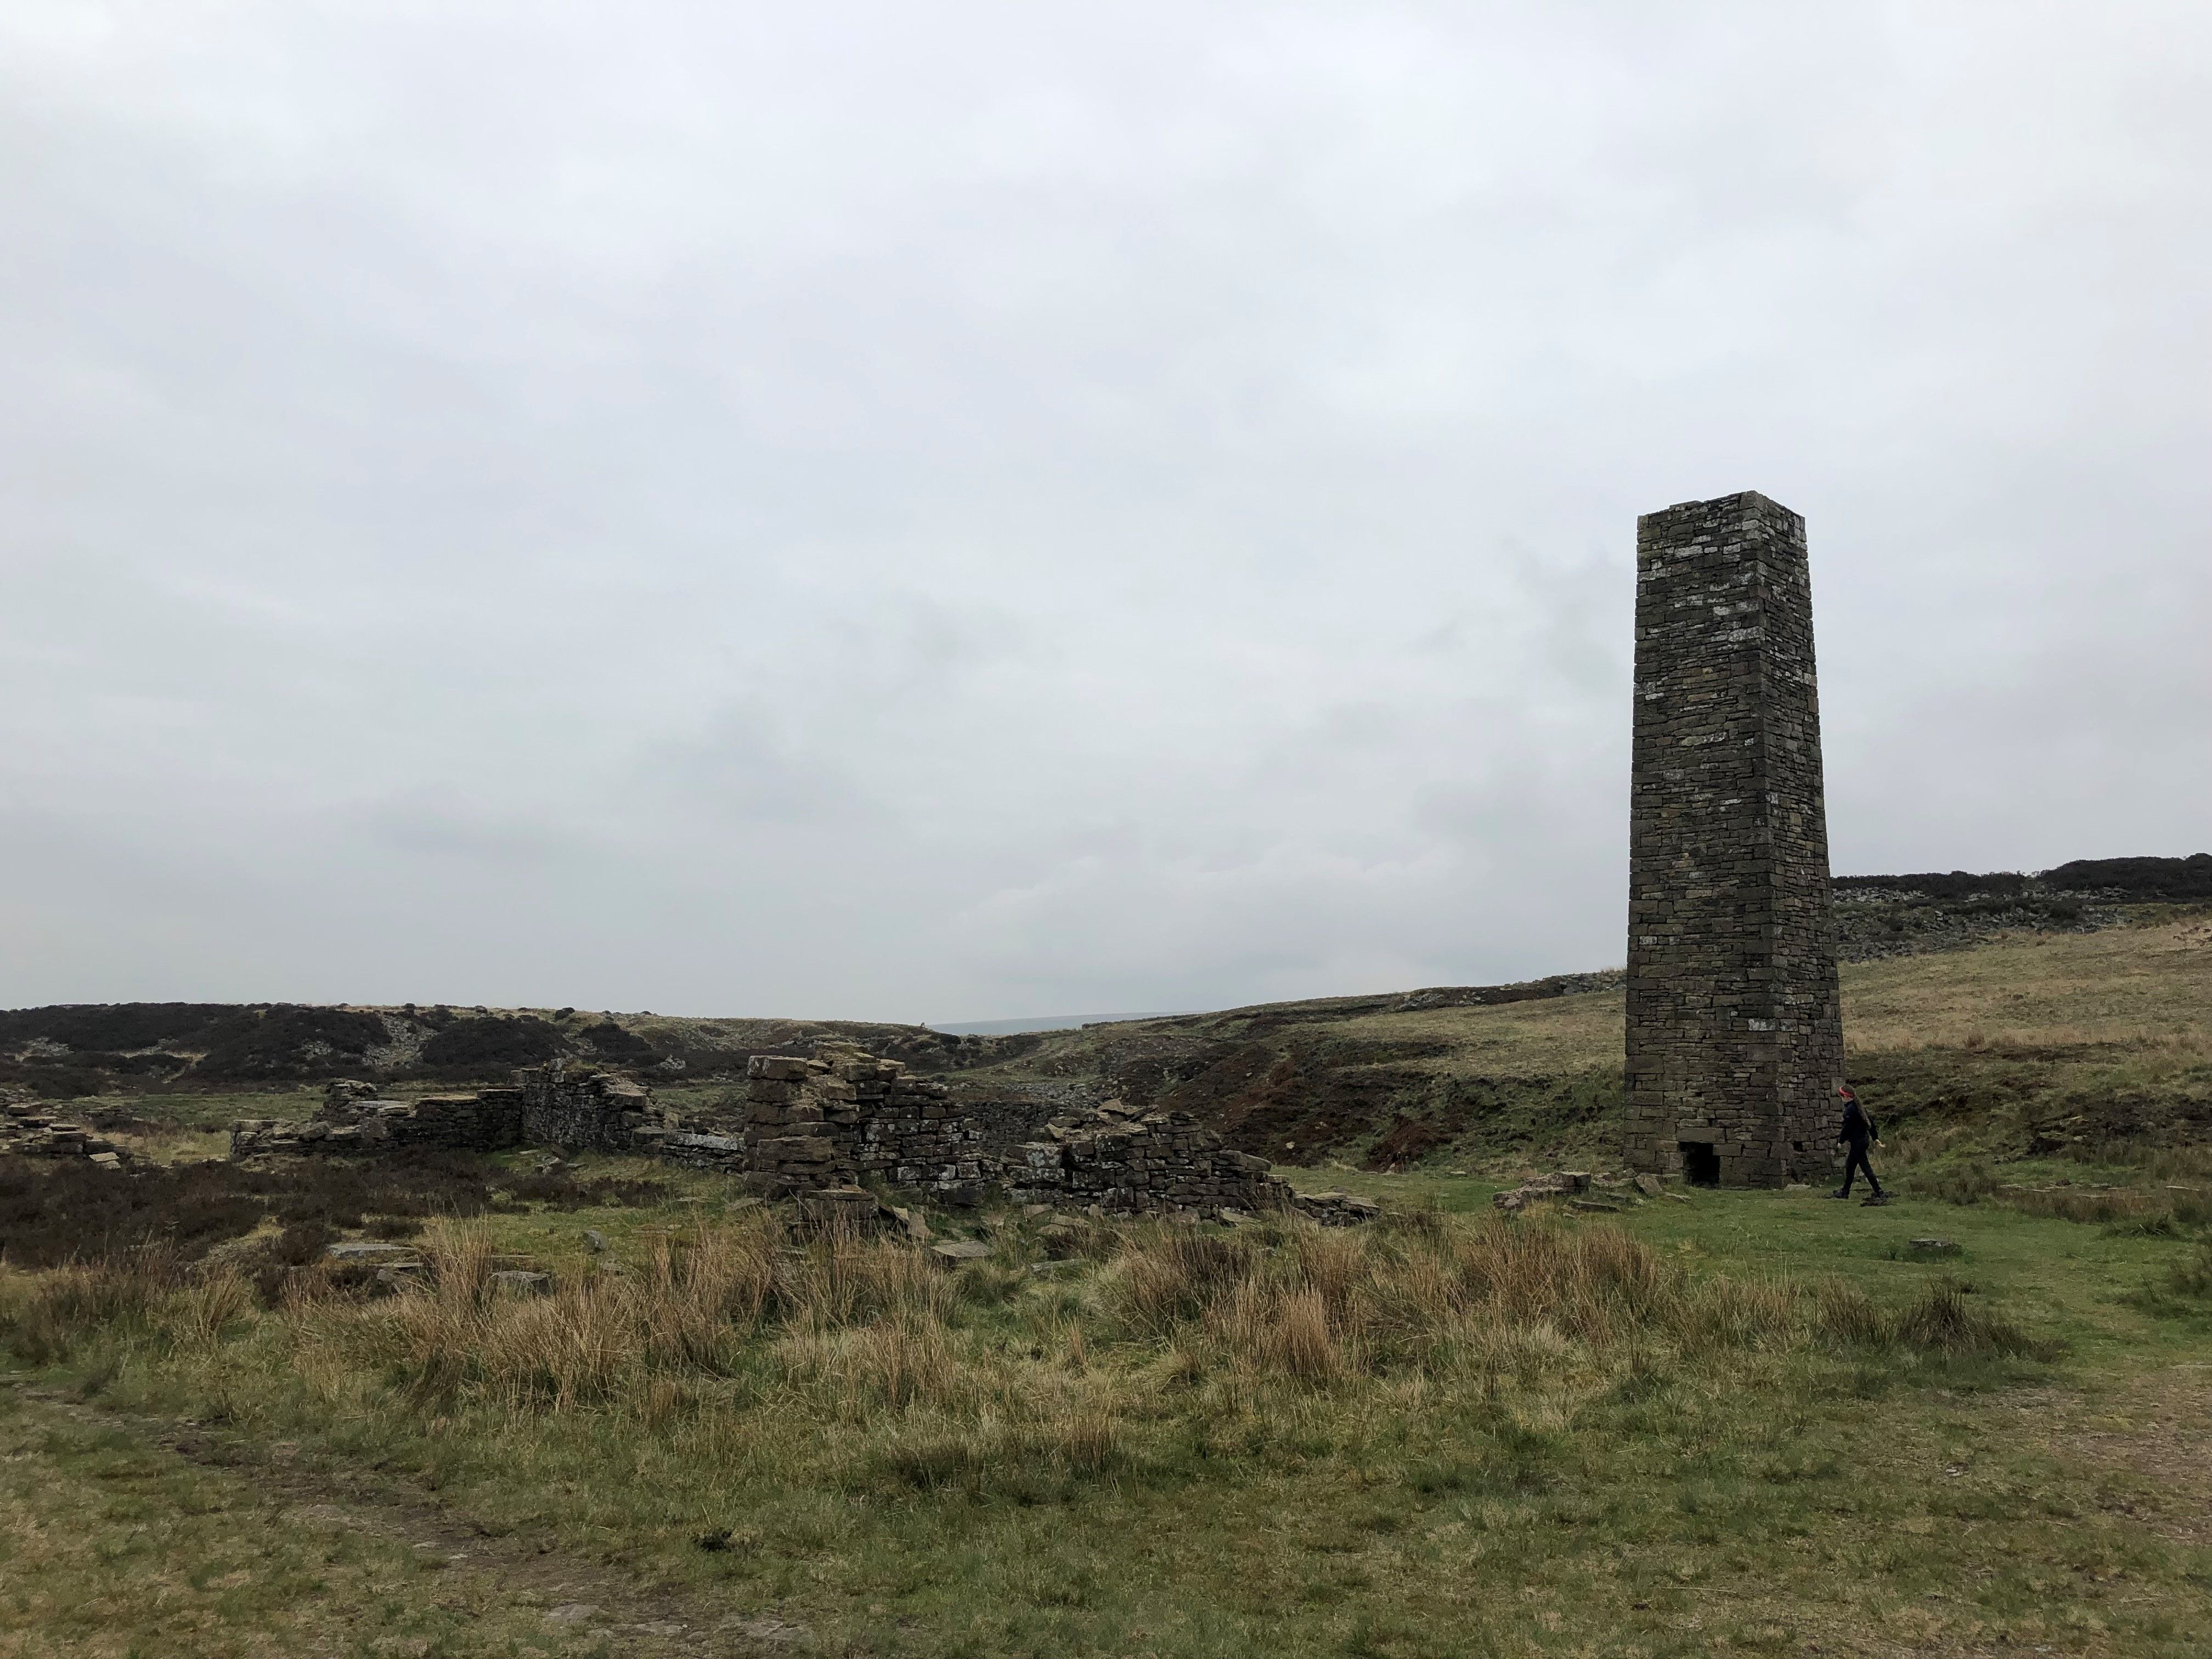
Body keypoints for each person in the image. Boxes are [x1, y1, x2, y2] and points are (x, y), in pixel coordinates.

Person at [1831, 1085, 1886, 1203]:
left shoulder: (1850, 1110)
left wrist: (1841, 1141)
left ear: (1846, 1097)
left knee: (1865, 1168)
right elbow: (1870, 1122)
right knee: (1850, 1166)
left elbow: (1847, 1128)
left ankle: (1879, 1192)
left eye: (1842, 1096)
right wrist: (1875, 1138)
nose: (1841, 1098)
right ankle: (1845, 1192)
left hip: (1858, 1143)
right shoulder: (1859, 1107)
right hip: (1863, 1140)